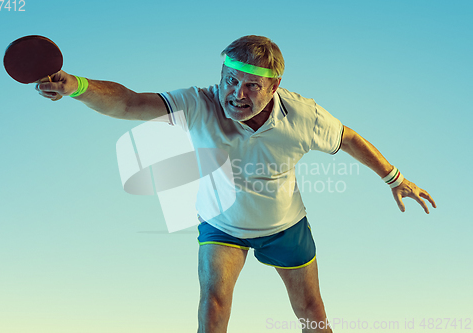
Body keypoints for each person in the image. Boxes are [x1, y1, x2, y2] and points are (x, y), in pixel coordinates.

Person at [36, 35, 436, 333]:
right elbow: (128, 102)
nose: (235, 94)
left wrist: (394, 179)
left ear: (274, 87)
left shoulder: (304, 116)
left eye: (250, 86)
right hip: (221, 225)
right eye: (230, 80)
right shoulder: (200, 102)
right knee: (213, 307)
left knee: (312, 314)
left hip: (285, 228)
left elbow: (348, 138)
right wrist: (78, 86)